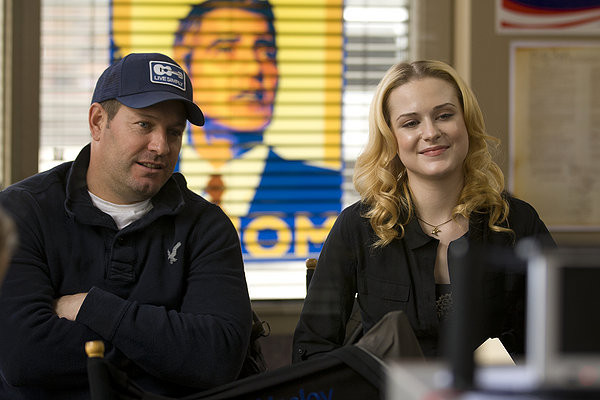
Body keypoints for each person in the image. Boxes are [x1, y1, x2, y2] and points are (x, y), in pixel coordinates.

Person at [0, 52, 252, 399]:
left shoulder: (206, 227)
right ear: (97, 122)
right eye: (144, 125)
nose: (161, 146)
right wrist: (164, 351)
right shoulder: (21, 211)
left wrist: (92, 307)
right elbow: (22, 357)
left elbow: (218, 358)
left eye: (174, 132)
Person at [292, 60, 555, 362]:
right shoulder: (357, 226)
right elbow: (312, 349)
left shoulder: (517, 222)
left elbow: (559, 334)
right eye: (410, 123)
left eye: (444, 116)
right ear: (391, 137)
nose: (430, 132)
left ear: (466, 123)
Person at [172, 0, 342, 258]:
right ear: (185, 68)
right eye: (226, 49)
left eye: (266, 53)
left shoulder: (325, 190)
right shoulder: (148, 186)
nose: (254, 68)